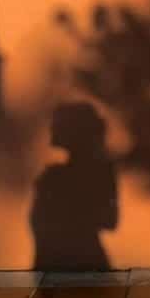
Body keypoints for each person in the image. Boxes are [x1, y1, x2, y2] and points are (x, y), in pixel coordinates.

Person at [30, 102, 118, 270]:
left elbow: (109, 220)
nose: (52, 129)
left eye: (58, 125)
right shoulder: (53, 177)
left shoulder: (56, 178)